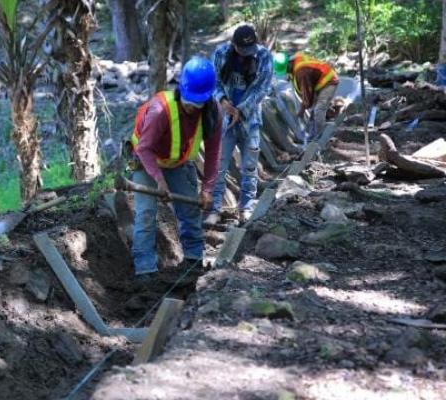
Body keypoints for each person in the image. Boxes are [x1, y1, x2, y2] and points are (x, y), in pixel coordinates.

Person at [129, 56, 222, 276]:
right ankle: (145, 270)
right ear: (182, 91)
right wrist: (159, 180)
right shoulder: (160, 111)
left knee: (190, 210)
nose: (194, 109)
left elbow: (213, 152)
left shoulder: (212, 112)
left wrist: (207, 189)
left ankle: (193, 262)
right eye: (190, 103)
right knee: (146, 214)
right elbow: (144, 148)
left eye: (199, 104)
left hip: (178, 163)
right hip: (146, 162)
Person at [207, 25, 273, 225]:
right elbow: (213, 82)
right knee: (219, 165)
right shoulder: (220, 54)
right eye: (242, 49)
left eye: (250, 49)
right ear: (233, 44)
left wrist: (241, 110)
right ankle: (215, 208)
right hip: (224, 120)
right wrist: (224, 102)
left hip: (250, 120)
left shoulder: (263, 57)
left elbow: (263, 88)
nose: (247, 53)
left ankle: (246, 207)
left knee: (250, 167)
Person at [287, 52, 339, 142]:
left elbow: (307, 96)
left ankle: (320, 138)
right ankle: (311, 135)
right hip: (319, 82)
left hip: (329, 81)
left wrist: (302, 110)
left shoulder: (301, 73)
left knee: (319, 110)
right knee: (315, 112)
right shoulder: (295, 63)